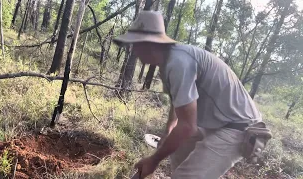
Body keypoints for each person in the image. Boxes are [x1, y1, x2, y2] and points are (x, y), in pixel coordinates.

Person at [113, 11, 263, 179]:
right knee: (177, 153)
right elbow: (179, 103)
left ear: (149, 44)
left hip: (239, 127)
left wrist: (153, 161)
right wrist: (169, 129)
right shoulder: (168, 62)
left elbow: (187, 126)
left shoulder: (178, 62)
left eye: (135, 44)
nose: (133, 49)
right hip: (217, 123)